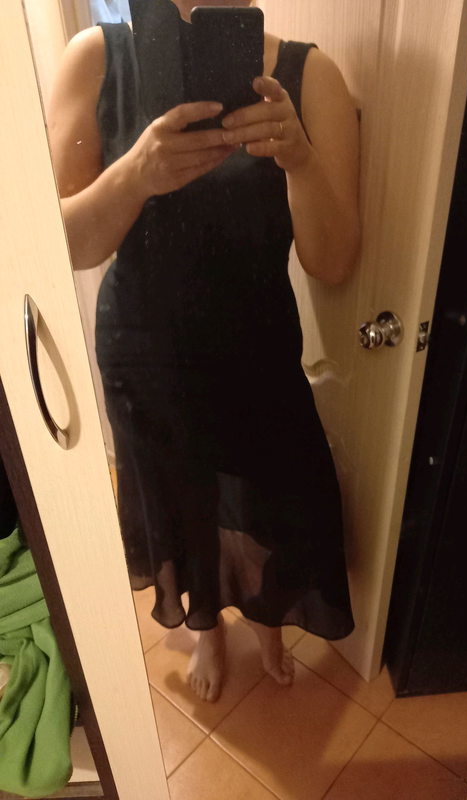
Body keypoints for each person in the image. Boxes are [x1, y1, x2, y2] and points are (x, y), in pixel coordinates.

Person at [47, 0, 360, 704]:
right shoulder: (94, 60)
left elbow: (334, 260)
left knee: (272, 503)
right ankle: (209, 628)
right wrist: (136, 173)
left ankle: (268, 622)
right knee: (181, 501)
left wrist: (300, 161)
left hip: (259, 355)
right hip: (144, 353)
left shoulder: (310, 77)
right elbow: (69, 244)